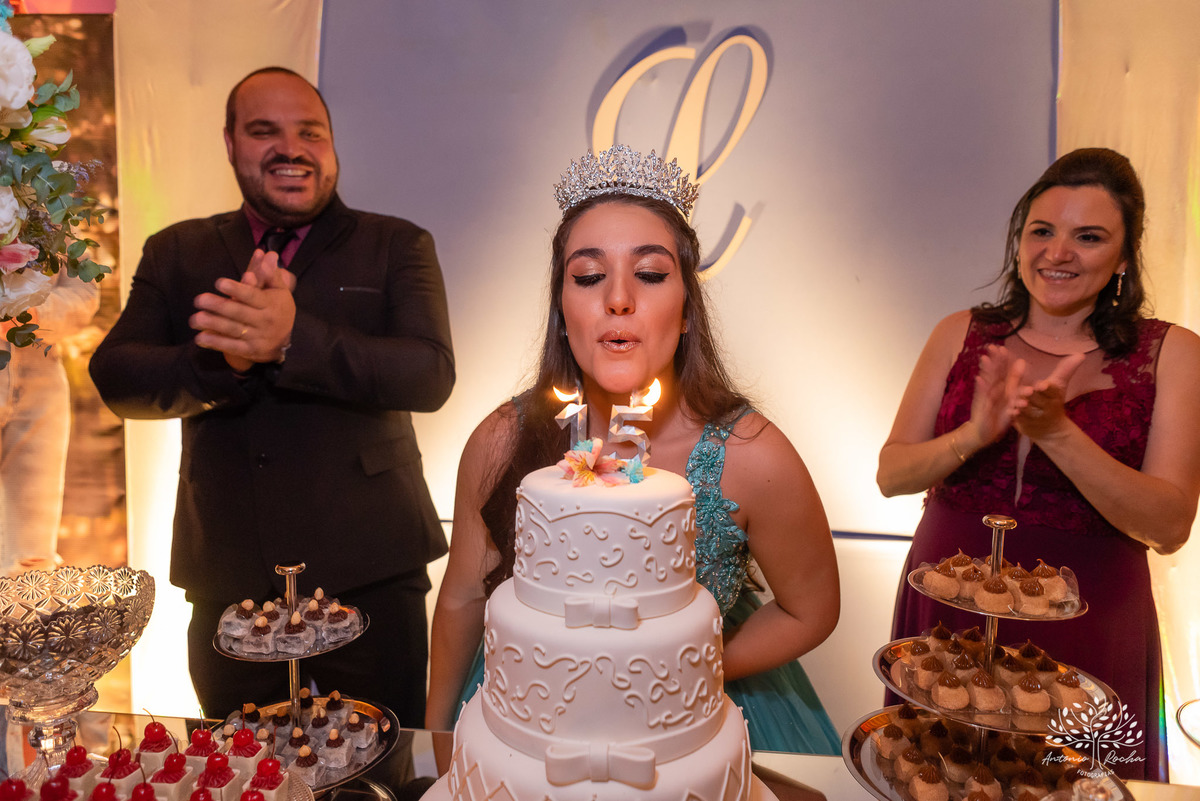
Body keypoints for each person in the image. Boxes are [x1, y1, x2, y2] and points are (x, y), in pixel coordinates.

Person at [426, 145, 841, 754]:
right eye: (589, 277)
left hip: (695, 731)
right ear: (562, 312)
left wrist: (678, 676)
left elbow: (813, 611)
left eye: (649, 274)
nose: (618, 298)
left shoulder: (754, 456)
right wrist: (435, 738)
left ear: (687, 311)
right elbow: (463, 594)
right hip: (524, 724)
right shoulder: (501, 440)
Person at [89, 67, 455, 726]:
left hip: (372, 570)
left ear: (332, 145)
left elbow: (429, 373)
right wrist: (222, 361)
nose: (291, 148)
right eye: (264, 131)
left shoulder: (396, 244)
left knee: (380, 770)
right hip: (228, 576)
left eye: (309, 131)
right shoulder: (178, 249)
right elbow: (117, 376)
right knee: (241, 772)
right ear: (230, 143)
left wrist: (294, 340)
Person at [878, 148, 1200, 781]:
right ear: (1019, 243)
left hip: (1092, 623)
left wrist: (1056, 433)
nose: (1058, 252)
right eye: (1042, 232)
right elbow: (892, 474)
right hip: (952, 611)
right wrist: (976, 432)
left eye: (1088, 237)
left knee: (1065, 781)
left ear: (1124, 259)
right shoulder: (959, 333)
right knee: (944, 778)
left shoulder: (1173, 353)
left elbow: (1169, 525)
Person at [1, 272, 99, 574]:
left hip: (39, 382)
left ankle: (25, 619)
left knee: (32, 557)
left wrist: (28, 314)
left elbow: (84, 294)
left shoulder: (51, 223)